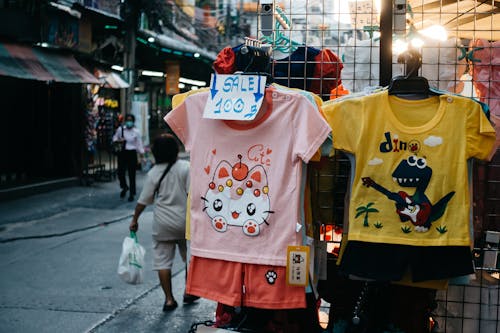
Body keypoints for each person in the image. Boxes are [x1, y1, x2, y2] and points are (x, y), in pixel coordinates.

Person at [129, 134, 199, 311]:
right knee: (189, 259)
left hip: (162, 224)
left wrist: (134, 219)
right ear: (175, 150)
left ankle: (169, 299)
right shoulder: (185, 168)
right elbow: (194, 195)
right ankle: (188, 292)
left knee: (162, 262)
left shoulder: (154, 173)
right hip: (185, 223)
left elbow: (143, 200)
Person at [112, 114, 144, 202]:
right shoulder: (121, 129)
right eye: (127, 120)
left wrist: (142, 155)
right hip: (122, 153)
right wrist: (119, 140)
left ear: (133, 122)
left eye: (131, 120)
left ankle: (132, 193)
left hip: (132, 154)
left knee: (131, 174)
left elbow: (139, 144)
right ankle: (124, 186)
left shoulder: (136, 131)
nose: (129, 122)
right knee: (120, 172)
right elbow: (114, 138)